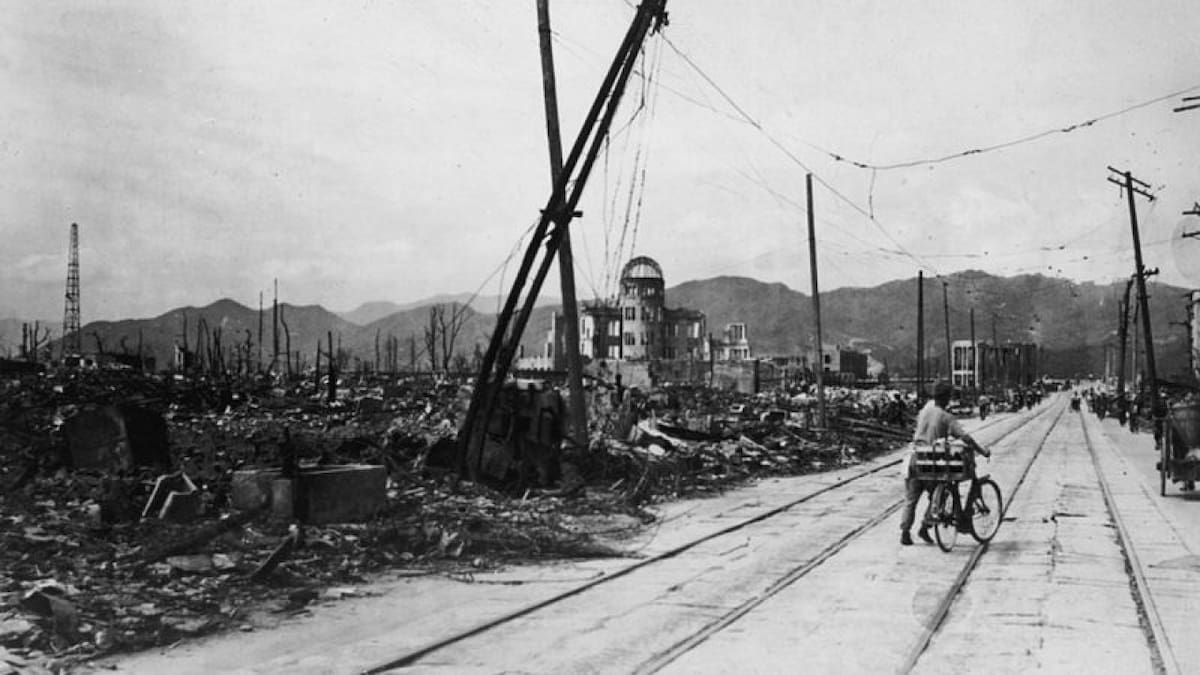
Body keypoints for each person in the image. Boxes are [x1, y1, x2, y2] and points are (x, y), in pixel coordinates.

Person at [900, 380, 990, 546]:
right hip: (931, 463)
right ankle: (925, 526)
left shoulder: (924, 412)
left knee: (911, 498)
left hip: (915, 458)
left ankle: (905, 532)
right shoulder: (947, 417)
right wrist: (982, 450)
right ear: (947, 398)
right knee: (940, 497)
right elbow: (965, 437)